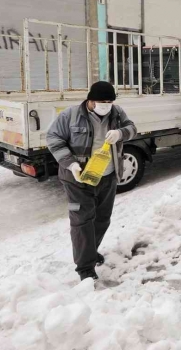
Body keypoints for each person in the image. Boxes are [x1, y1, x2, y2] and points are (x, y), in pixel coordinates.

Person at [47, 81, 137, 281]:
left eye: (109, 101)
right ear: (90, 100)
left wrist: (121, 133)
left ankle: (89, 252)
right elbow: (53, 138)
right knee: (82, 221)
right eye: (101, 101)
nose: (105, 105)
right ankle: (85, 268)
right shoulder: (70, 115)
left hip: (107, 175)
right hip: (78, 177)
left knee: (102, 218)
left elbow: (133, 128)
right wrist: (71, 164)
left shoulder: (116, 113)